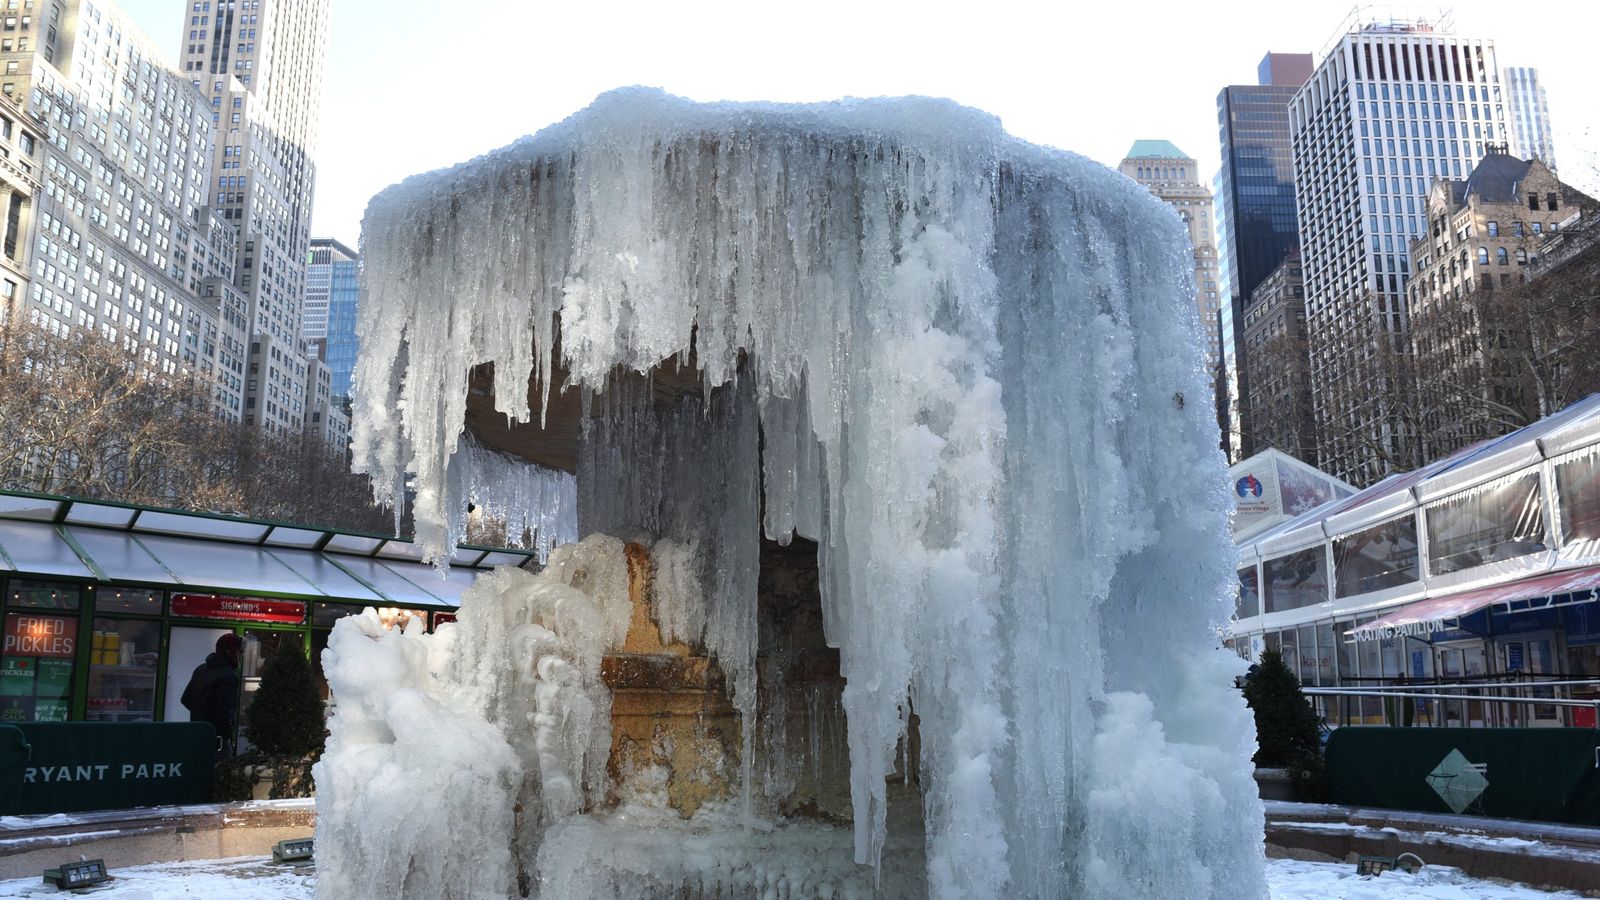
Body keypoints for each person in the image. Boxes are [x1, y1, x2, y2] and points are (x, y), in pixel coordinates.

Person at [181, 633, 243, 758]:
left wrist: (201, 714)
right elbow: (223, 712)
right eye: (239, 653)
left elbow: (185, 699)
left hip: (197, 734)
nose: (240, 656)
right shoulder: (229, 677)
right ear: (231, 653)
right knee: (219, 773)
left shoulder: (201, 669)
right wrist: (228, 736)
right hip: (217, 741)